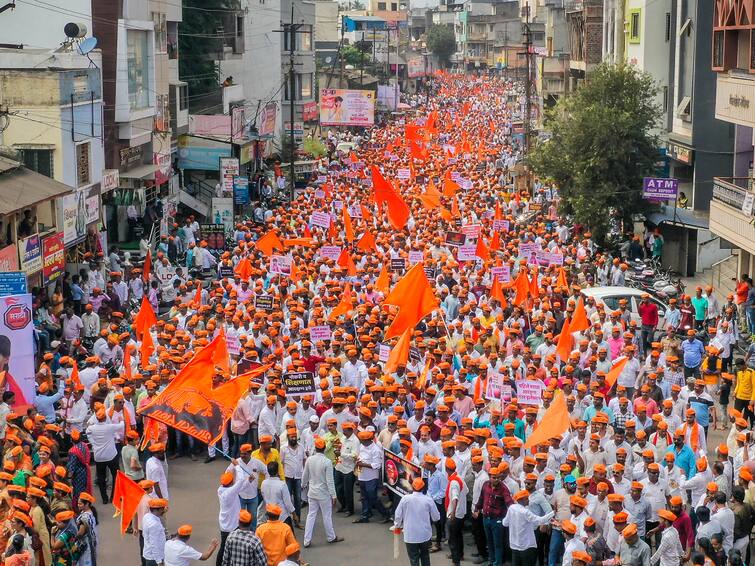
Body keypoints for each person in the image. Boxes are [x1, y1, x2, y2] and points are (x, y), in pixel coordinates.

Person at [301, 437, 343, 547]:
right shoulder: (327, 462)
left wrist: (302, 485)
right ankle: (331, 537)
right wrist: (334, 495)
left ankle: (306, 540)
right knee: (326, 516)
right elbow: (330, 481)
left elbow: (305, 476)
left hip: (312, 492)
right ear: (324, 448)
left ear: (315, 448)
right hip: (323, 494)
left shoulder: (310, 460)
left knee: (311, 515)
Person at [393, 477, 440, 566]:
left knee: (413, 558)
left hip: (410, 535)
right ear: (423, 488)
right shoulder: (428, 500)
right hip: (424, 535)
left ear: (412, 487)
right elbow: (436, 517)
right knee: (425, 556)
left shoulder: (405, 499)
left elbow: (398, 515)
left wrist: (397, 526)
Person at [501, 490, 555, 566]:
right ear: (520, 500)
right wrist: (553, 513)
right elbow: (540, 520)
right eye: (526, 499)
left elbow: (505, 523)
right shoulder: (525, 512)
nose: (528, 500)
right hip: (525, 546)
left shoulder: (511, 508)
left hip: (514, 545)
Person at [142, 498, 169, 566]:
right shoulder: (154, 524)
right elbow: (154, 544)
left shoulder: (146, 516)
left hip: (149, 553)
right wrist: (159, 561)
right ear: (158, 509)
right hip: (154, 558)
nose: (164, 510)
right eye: (163, 509)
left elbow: (144, 535)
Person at [76, 492, 99, 566]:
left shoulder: (85, 517)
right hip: (91, 541)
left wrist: (73, 537)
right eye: (78, 503)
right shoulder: (89, 512)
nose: (78, 505)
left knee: (86, 562)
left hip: (86, 544)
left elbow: (80, 533)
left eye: (80, 504)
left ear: (87, 504)